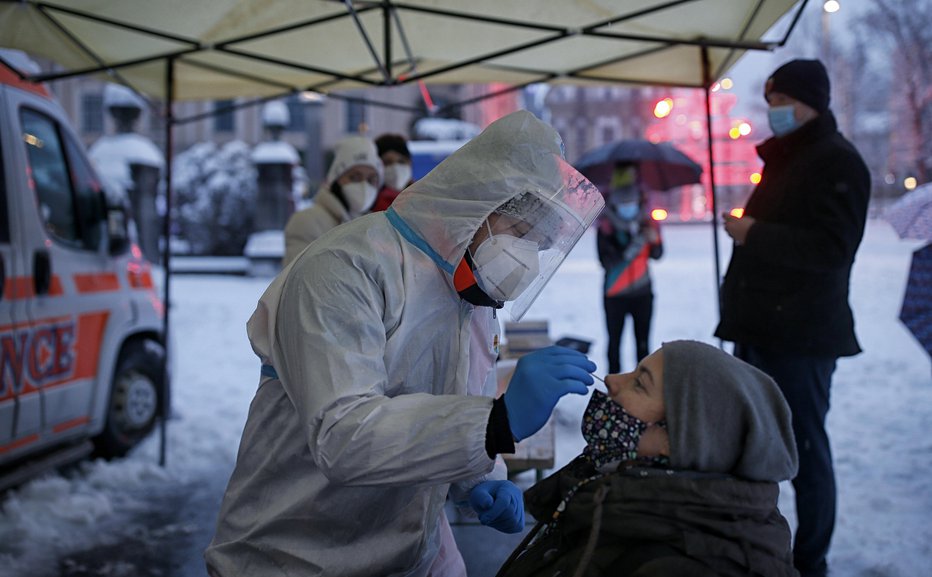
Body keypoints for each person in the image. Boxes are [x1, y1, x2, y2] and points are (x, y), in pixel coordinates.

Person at [205, 110, 606, 577]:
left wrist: (482, 478)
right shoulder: (345, 267)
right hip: (291, 557)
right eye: (518, 232)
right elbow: (344, 436)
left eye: (537, 244)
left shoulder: (470, 299)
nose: (526, 258)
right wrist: (496, 423)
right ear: (474, 201)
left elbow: (451, 412)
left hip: (411, 554)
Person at [714, 58, 871, 577]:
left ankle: (810, 562)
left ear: (809, 103)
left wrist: (753, 233)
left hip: (801, 338)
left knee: (805, 452)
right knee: (752, 448)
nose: (773, 112)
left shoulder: (837, 161)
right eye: (771, 103)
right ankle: (760, 547)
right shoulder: (790, 159)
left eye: (780, 102)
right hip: (762, 330)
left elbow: (832, 248)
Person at [496, 340, 800, 577]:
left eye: (639, 384)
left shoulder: (681, 567)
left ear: (681, 439)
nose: (613, 379)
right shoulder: (608, 494)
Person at [596, 163, 663, 373]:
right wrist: (633, 245)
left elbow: (658, 255)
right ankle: (615, 391)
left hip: (643, 293)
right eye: (624, 203)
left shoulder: (648, 224)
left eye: (632, 202)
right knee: (614, 345)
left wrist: (655, 241)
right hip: (615, 294)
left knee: (643, 345)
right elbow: (606, 261)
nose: (629, 206)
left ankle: (642, 391)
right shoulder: (606, 227)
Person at [282, 135, 383, 265]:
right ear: (336, 179)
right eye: (355, 177)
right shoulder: (306, 221)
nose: (364, 185)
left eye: (371, 179)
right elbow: (298, 278)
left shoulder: (375, 227)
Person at [372, 132, 414, 212]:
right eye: (387, 162)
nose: (395, 167)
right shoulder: (369, 203)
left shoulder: (422, 196)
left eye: (401, 162)